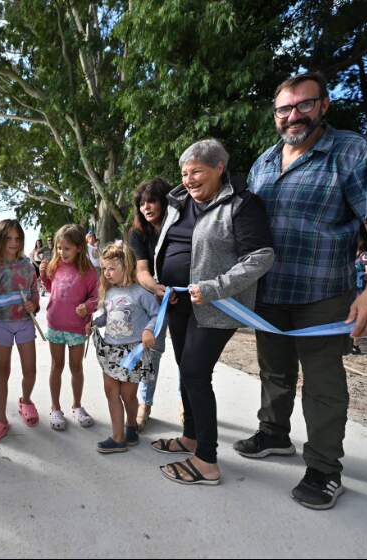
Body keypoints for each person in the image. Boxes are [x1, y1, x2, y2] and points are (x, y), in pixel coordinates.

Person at [235, 72, 367, 510]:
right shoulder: (264, 162)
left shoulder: (352, 151)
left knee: (324, 383)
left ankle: (325, 468)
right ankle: (274, 433)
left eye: (304, 105)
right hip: (270, 292)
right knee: (273, 370)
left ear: (324, 105)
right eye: (285, 108)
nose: (294, 115)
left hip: (324, 290)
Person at [151, 138, 274, 487]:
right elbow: (170, 244)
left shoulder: (241, 205)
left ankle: (207, 460)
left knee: (194, 371)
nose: (188, 180)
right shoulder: (177, 202)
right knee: (186, 371)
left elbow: (261, 257)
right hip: (176, 303)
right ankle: (190, 436)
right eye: (184, 173)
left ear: (220, 168)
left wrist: (214, 287)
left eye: (196, 172)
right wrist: (162, 282)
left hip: (216, 305)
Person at [90, 243, 159, 453]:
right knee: (111, 391)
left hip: (133, 352)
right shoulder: (109, 292)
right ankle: (118, 437)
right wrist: (95, 323)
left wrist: (148, 330)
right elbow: (108, 317)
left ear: (126, 266)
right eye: (104, 269)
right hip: (110, 349)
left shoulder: (140, 293)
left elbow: (157, 314)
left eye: (112, 268)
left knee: (128, 395)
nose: (107, 273)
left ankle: (131, 425)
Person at [0, 219, 41, 444]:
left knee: (30, 371)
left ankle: (25, 400)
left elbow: (35, 292)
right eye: (9, 238)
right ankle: (1, 418)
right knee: (2, 372)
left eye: (18, 238)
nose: (14, 243)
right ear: (0, 240)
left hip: (25, 323)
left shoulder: (27, 264)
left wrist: (34, 304)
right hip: (2, 324)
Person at [39, 224, 99, 431]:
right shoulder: (54, 267)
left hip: (77, 328)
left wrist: (87, 307)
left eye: (66, 248)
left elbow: (96, 297)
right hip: (55, 324)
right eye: (58, 248)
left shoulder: (89, 272)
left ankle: (77, 405)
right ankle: (55, 408)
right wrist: (43, 275)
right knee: (57, 366)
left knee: (76, 367)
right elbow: (49, 288)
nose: (61, 252)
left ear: (79, 248)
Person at [127, 178, 175, 431]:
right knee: (150, 354)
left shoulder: (181, 226)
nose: (146, 207)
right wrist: (156, 288)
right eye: (142, 203)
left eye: (152, 201)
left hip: (187, 300)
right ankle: (145, 405)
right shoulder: (137, 234)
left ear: (165, 201)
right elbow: (141, 270)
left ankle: (187, 406)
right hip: (155, 301)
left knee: (188, 357)